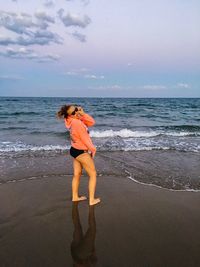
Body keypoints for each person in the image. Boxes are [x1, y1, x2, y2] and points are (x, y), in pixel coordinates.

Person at [57, 104, 101, 206]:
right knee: (93, 174)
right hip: (81, 151)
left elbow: (91, 122)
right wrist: (93, 149)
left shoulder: (72, 120)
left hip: (74, 149)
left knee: (77, 174)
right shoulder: (77, 122)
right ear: (70, 115)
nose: (76, 112)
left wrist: (82, 113)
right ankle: (91, 200)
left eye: (76, 109)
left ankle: (75, 197)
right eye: (73, 112)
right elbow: (84, 138)